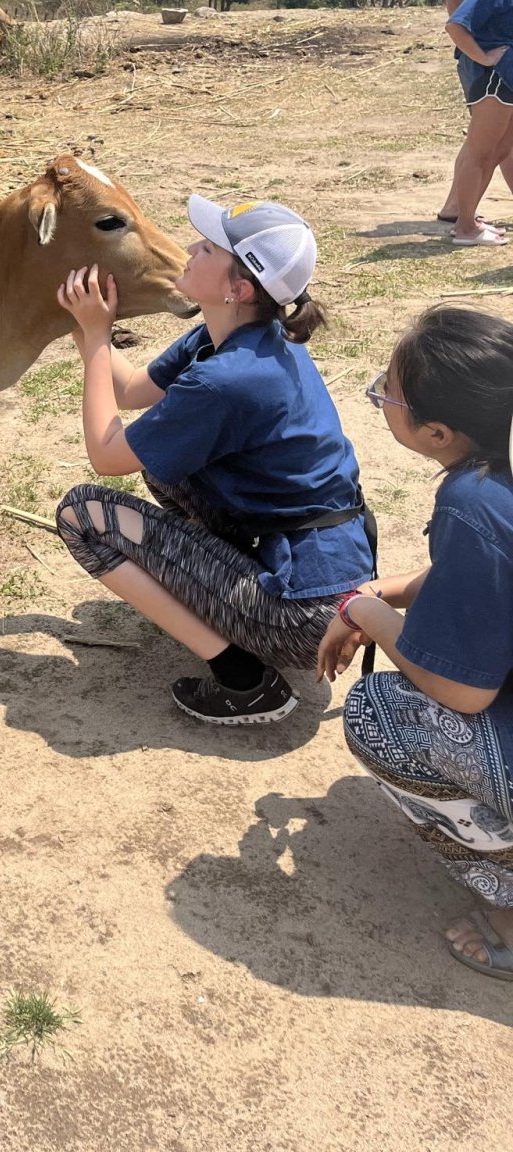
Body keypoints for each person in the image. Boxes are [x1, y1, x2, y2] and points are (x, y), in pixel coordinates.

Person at [54, 195, 375, 726]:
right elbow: (134, 390)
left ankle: (245, 681)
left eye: (205, 249)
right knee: (163, 458)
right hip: (321, 568)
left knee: (81, 516)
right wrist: (81, 318)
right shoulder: (238, 335)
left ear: (238, 288)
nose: (188, 251)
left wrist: (94, 341)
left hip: (304, 615)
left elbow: (106, 457)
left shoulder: (226, 379)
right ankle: (217, 589)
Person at [318, 306, 513, 981]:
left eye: (387, 394)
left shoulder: (469, 502)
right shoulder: (501, 474)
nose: (379, 400)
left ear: (435, 432)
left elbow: (463, 689)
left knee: (379, 714)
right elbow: (486, 572)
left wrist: (368, 613)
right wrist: (393, 589)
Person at [437, 0, 513, 245]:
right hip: (493, 80)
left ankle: (468, 218)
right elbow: (456, 24)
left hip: (506, 79)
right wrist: (481, 55)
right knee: (480, 152)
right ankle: (465, 227)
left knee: (500, 150)